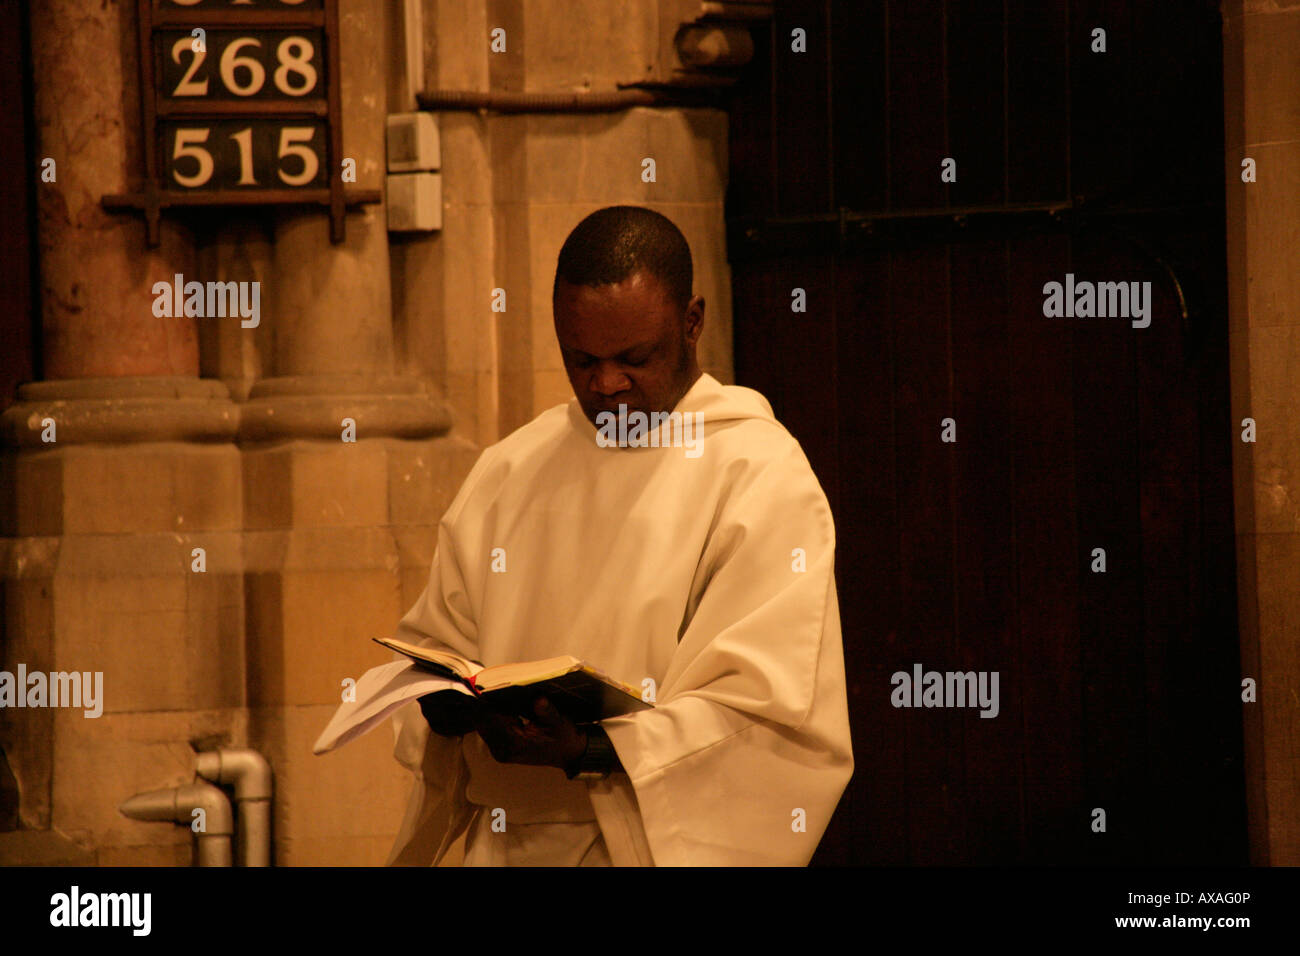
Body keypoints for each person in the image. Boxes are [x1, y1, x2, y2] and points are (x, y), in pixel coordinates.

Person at [385, 205, 853, 866]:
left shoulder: (757, 474)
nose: (606, 386)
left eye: (634, 359)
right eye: (581, 361)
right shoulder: (513, 467)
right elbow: (442, 645)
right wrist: (450, 709)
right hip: (505, 843)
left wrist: (586, 751)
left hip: (643, 844)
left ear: (692, 322)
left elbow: (766, 714)